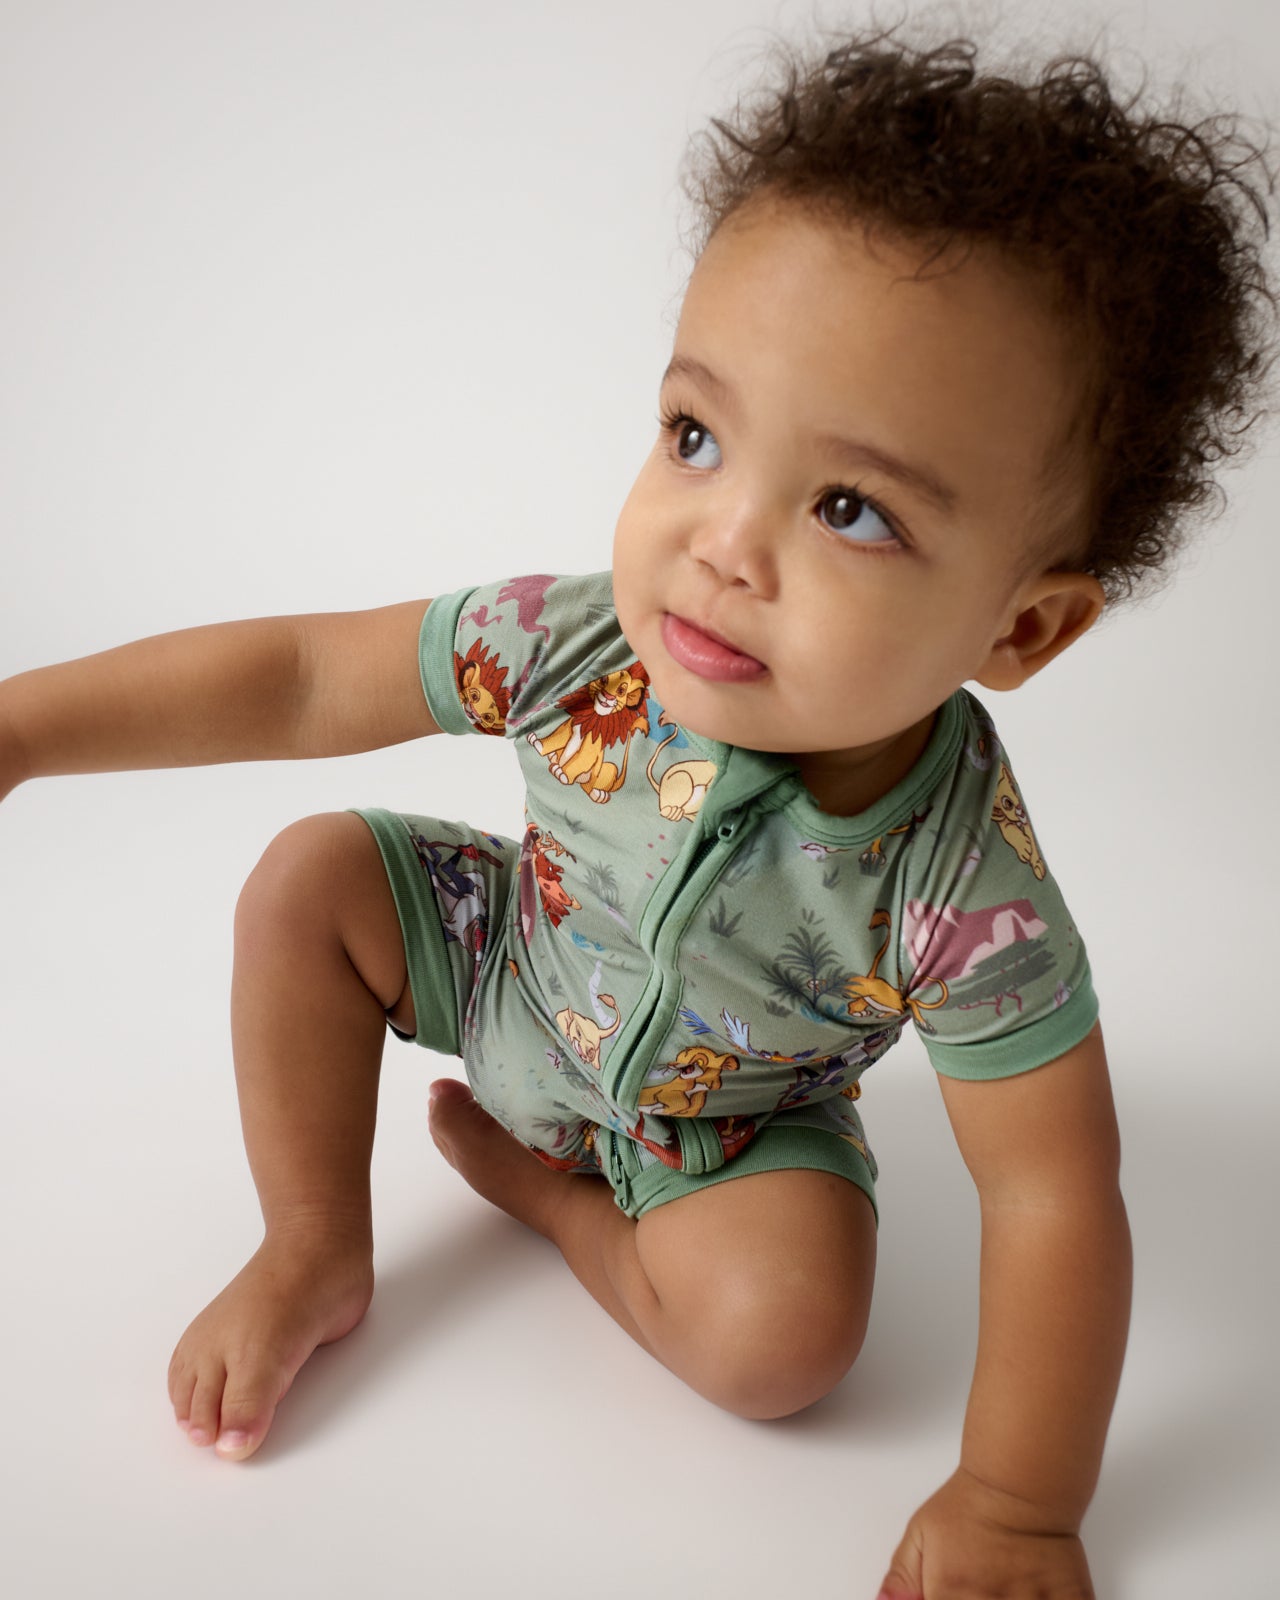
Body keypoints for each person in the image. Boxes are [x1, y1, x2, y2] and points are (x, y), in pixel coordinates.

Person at [0, 24, 1272, 1599]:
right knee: (308, 881)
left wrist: (1019, 1502)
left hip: (728, 1115)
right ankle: (314, 1238)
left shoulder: (962, 882)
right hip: (508, 963)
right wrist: (24, 728)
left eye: (850, 509)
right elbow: (301, 678)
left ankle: (567, 1214)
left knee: (785, 1343)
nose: (722, 543)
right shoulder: (578, 642)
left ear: (1022, 628)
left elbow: (1051, 1190)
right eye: (696, 436)